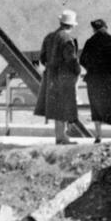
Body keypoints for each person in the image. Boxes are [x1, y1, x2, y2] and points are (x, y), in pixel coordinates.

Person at [34, 9, 81, 145]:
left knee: (56, 108)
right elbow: (71, 59)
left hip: (51, 76)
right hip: (64, 77)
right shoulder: (67, 39)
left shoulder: (49, 37)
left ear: (61, 22)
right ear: (71, 25)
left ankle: (59, 137)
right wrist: (77, 71)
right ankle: (62, 138)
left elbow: (42, 58)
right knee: (64, 107)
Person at [80, 19, 111, 142]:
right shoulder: (110, 39)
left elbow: (82, 60)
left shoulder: (90, 42)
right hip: (109, 79)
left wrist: (92, 69)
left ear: (94, 29)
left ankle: (98, 136)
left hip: (94, 79)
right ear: (105, 27)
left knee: (96, 107)